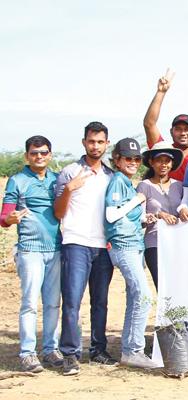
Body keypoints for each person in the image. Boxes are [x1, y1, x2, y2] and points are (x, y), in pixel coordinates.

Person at [54, 121, 116, 375]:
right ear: (84, 143)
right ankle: (70, 353)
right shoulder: (70, 172)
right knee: (72, 301)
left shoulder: (111, 176)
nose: (95, 146)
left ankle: (98, 350)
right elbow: (58, 212)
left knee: (100, 302)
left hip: (103, 246)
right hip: (76, 243)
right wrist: (69, 189)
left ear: (106, 144)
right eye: (91, 141)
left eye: (100, 142)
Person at [1, 135, 62, 372]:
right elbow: (4, 217)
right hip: (30, 250)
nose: (39, 157)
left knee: (52, 304)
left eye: (44, 152)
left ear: (50, 155)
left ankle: (50, 349)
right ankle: (27, 352)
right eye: (34, 153)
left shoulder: (56, 180)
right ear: (27, 155)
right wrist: (9, 218)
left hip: (55, 249)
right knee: (29, 303)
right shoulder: (17, 181)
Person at [104, 138, 158, 369]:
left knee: (135, 298)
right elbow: (111, 215)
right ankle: (133, 350)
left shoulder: (125, 182)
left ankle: (130, 349)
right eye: (128, 158)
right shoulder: (118, 181)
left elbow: (126, 217)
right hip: (124, 246)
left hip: (134, 245)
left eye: (137, 159)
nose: (133, 162)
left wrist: (144, 218)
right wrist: (137, 200)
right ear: (117, 160)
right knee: (143, 297)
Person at [137, 142, 184, 289]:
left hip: (178, 242)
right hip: (154, 243)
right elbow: (139, 218)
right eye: (159, 160)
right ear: (151, 162)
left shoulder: (179, 185)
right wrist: (158, 214)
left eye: (167, 161)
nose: (163, 165)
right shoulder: (144, 186)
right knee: (163, 288)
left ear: (172, 164)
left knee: (180, 286)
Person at [143, 68, 188, 182]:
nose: (183, 133)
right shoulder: (164, 149)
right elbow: (149, 124)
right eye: (178, 129)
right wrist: (161, 92)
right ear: (171, 131)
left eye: (187, 129)